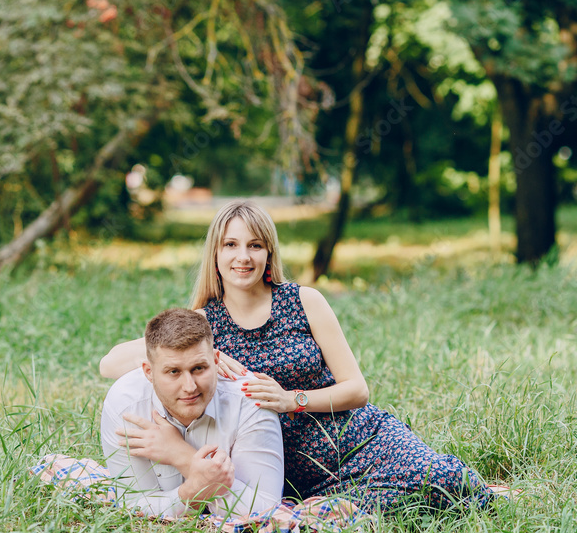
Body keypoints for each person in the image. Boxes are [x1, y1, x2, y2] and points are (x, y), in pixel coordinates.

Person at [101, 201, 496, 513]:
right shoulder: (205, 323)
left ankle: (477, 488)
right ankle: (338, 508)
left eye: (255, 245)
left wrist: (294, 400)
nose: (243, 257)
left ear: (268, 252)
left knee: (448, 481)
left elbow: (357, 389)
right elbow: (112, 363)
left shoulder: (304, 300)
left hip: (358, 438)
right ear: (216, 253)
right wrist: (214, 352)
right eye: (231, 245)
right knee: (364, 507)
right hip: (285, 467)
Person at [100, 307, 284, 519]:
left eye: (198, 368)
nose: (190, 387)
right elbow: (133, 506)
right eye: (173, 372)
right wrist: (190, 492)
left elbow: (266, 511)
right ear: (148, 372)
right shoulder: (126, 406)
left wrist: (182, 456)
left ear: (215, 361)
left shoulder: (250, 401)